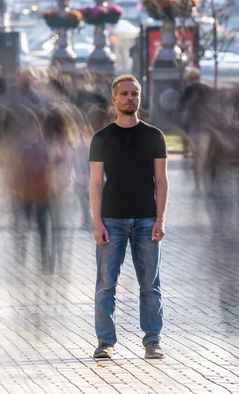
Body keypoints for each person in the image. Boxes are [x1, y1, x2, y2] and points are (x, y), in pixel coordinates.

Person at [88, 75, 169, 360]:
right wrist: (97, 222)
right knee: (106, 285)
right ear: (114, 99)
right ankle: (105, 342)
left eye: (134, 94)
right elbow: (96, 183)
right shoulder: (101, 138)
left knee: (150, 285)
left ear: (140, 98)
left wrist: (160, 218)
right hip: (112, 220)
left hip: (147, 219)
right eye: (124, 94)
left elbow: (161, 180)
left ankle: (153, 341)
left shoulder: (153, 136)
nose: (129, 99)